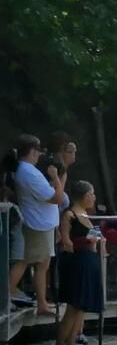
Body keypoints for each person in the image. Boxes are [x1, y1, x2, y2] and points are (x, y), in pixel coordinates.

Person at [6, 134, 65, 315]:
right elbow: (56, 198)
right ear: (32, 151)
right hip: (38, 224)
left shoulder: (26, 170)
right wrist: (56, 177)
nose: (39, 155)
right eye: (38, 151)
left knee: (42, 264)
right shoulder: (29, 173)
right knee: (27, 261)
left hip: (42, 223)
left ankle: (42, 303)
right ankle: (5, 295)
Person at [53, 180, 102, 345]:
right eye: (92, 194)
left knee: (82, 306)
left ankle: (71, 342)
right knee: (74, 304)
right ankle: (62, 343)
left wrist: (98, 242)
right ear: (85, 196)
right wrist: (85, 241)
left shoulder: (87, 216)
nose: (94, 197)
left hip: (89, 261)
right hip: (76, 262)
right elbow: (66, 242)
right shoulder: (69, 215)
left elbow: (95, 242)